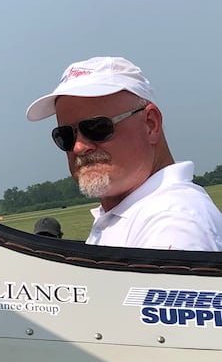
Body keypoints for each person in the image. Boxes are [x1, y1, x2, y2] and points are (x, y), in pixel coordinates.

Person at [26, 56, 222, 251]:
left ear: (150, 124)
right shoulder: (131, 214)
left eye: (96, 127)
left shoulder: (172, 223)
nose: (79, 147)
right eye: (66, 135)